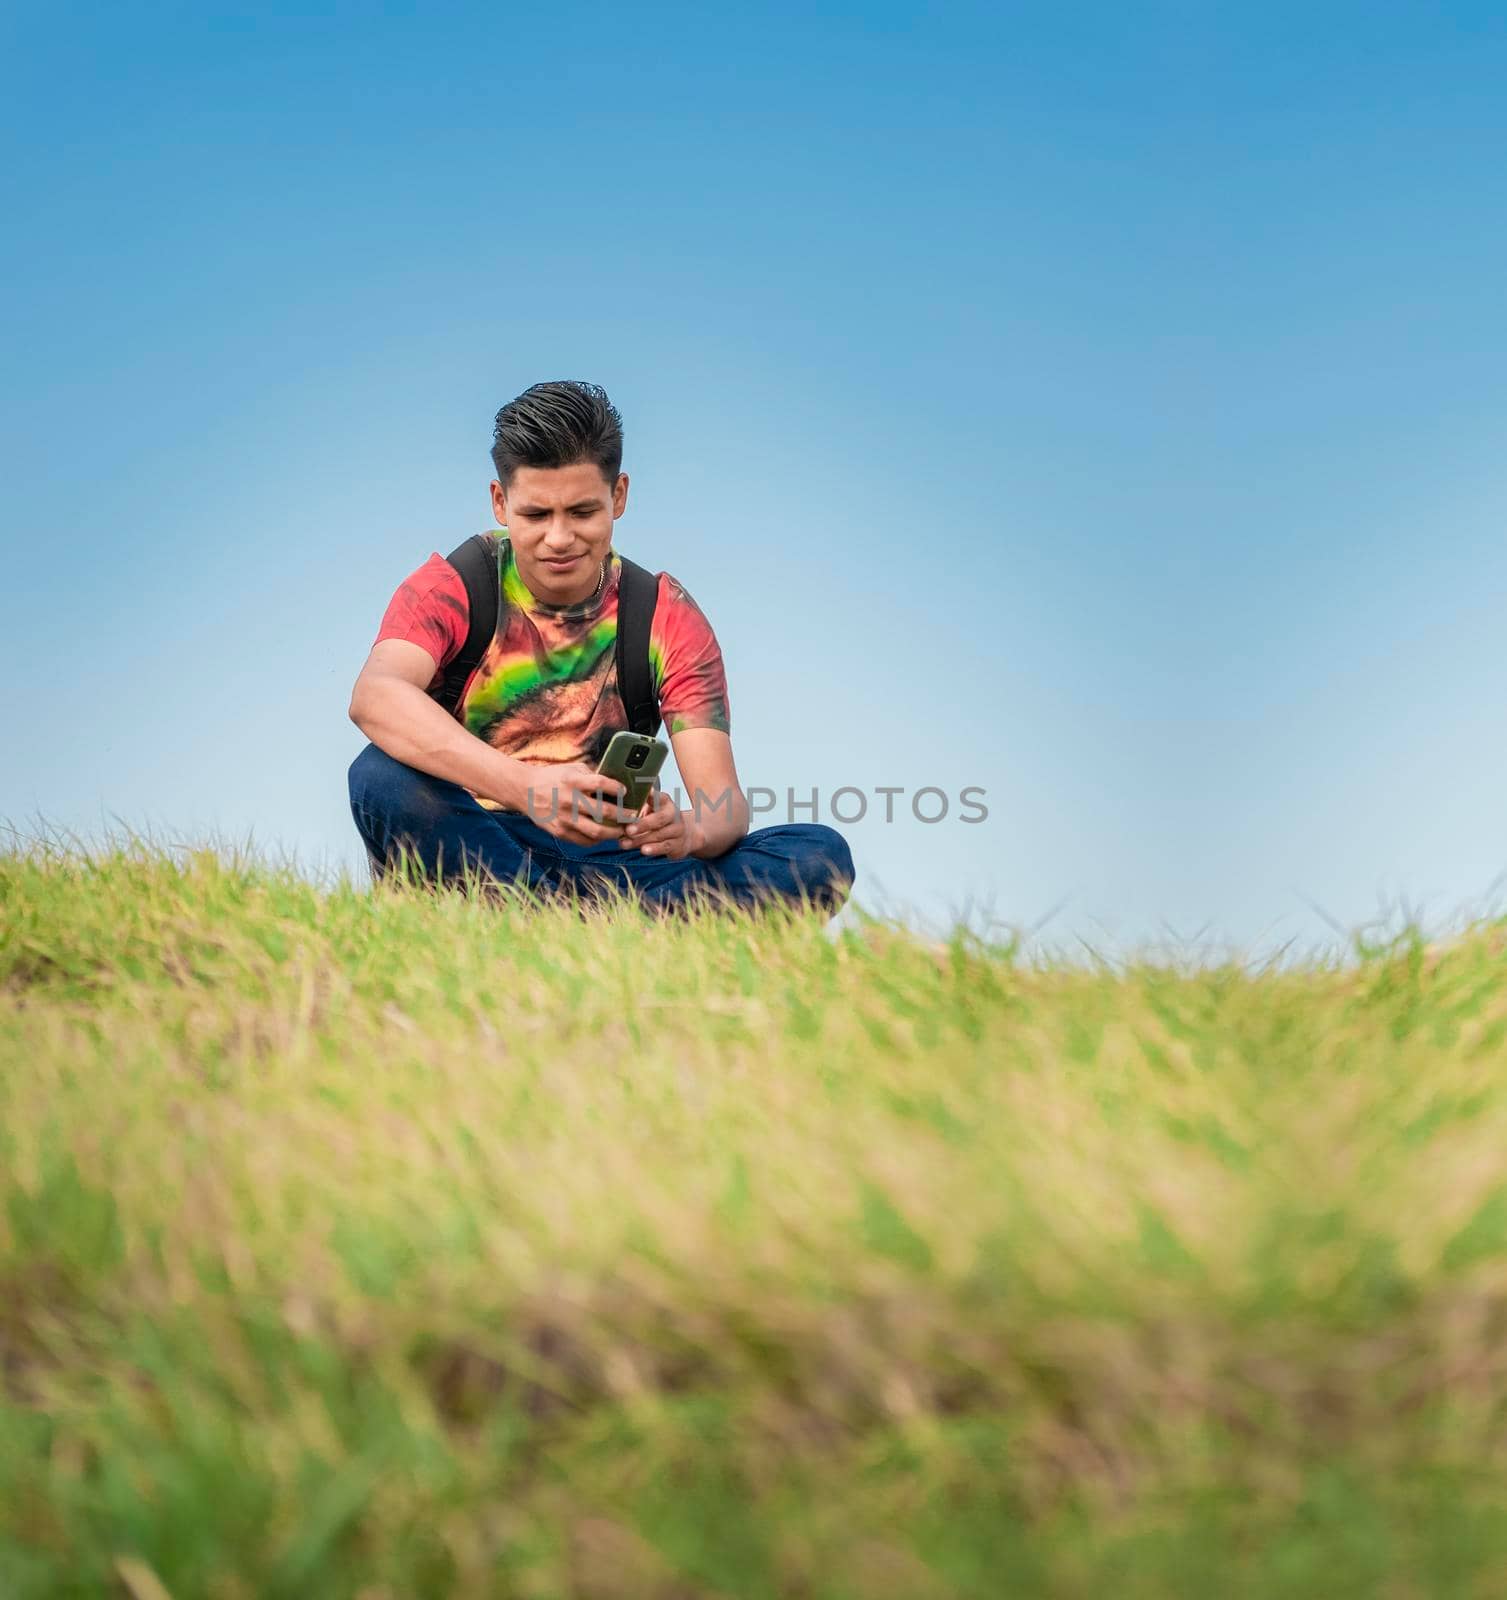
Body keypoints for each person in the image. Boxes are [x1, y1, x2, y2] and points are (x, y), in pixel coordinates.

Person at [346, 380, 855, 917]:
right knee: (378, 776)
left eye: (582, 512)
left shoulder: (666, 614)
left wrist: (688, 831)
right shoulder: (454, 584)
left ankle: (549, 925)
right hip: (479, 840)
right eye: (536, 515)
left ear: (619, 497)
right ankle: (591, 928)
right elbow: (375, 696)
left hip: (618, 862)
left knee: (818, 855)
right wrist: (525, 788)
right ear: (500, 502)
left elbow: (723, 805)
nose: (560, 538)